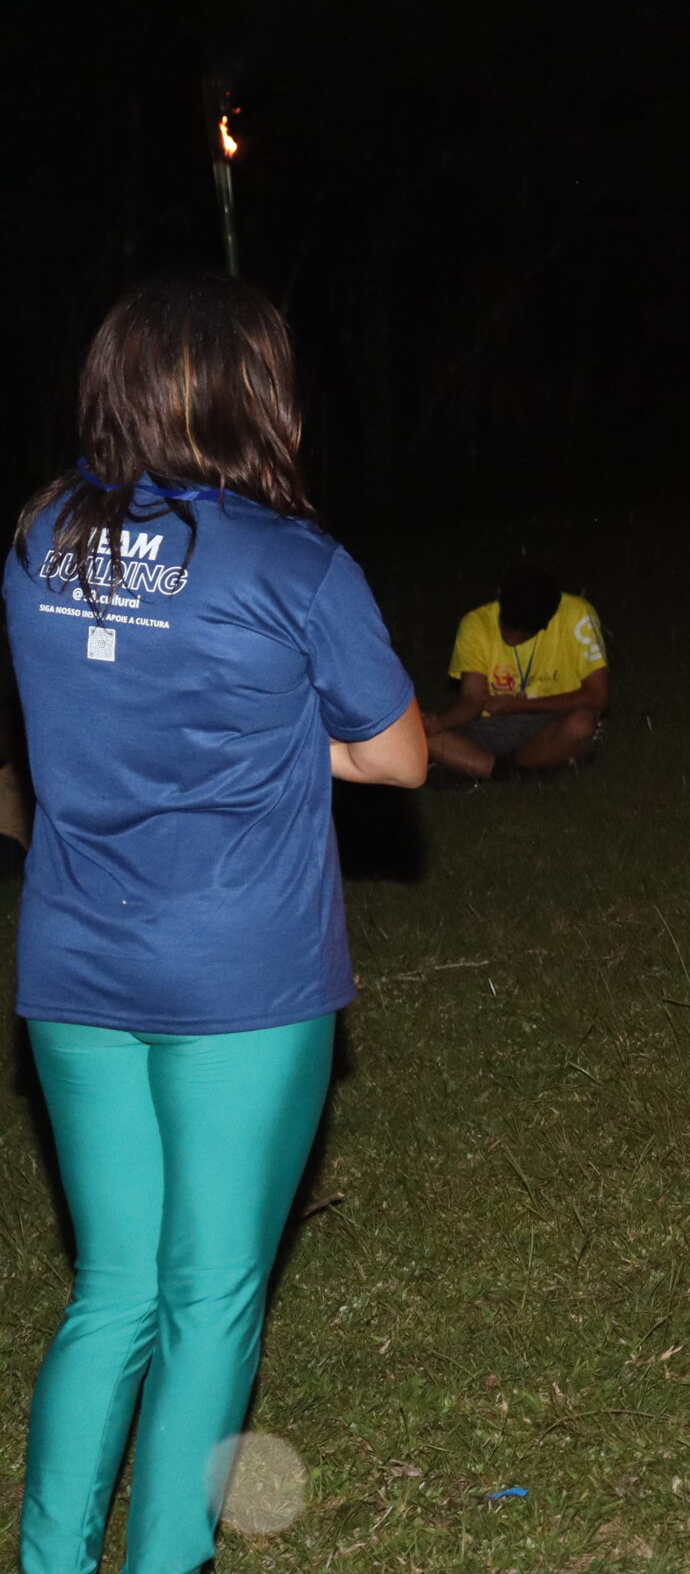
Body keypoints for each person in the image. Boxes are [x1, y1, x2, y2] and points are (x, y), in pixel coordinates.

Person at [4, 272, 427, 1574]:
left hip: (74, 967)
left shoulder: (37, 540)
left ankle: (54, 1555)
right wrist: (284, 725)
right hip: (240, 973)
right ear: (254, 394)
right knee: (210, 1298)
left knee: (113, 1289)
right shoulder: (297, 563)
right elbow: (401, 755)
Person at [421, 567, 607, 778]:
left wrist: (520, 705)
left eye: (523, 635)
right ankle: (514, 769)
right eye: (507, 629)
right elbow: (472, 699)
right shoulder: (475, 624)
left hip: (551, 721)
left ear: (547, 620)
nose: (511, 640)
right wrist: (440, 722)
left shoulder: (577, 614)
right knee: (414, 732)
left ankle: (498, 767)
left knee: (581, 725)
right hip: (488, 725)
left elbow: (597, 697)